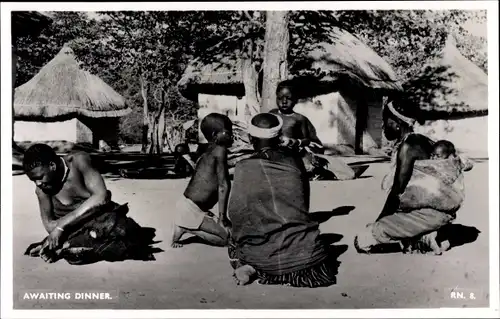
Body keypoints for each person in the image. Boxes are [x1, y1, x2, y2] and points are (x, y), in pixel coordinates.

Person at [227, 113, 337, 287]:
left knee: (234, 239)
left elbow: (236, 212)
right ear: (279, 136)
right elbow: (304, 204)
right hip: (305, 258)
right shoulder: (295, 160)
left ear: (249, 138)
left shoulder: (244, 167)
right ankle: (276, 268)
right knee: (316, 252)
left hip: (261, 250)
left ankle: (253, 267)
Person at [354, 101, 473, 255]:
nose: (383, 127)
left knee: (363, 239)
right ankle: (426, 237)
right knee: (393, 221)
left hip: (431, 214)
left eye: (385, 121)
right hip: (440, 212)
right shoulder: (421, 139)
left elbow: (398, 191)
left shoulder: (408, 146)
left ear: (396, 123)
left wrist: (378, 222)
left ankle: (423, 236)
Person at [23, 144, 156, 264]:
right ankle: (72, 245)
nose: (38, 183)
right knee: (112, 238)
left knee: (120, 228)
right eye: (33, 180)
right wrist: (59, 229)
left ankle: (70, 246)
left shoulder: (78, 161)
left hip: (102, 219)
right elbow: (50, 226)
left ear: (52, 166)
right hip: (72, 231)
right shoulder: (42, 190)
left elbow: (101, 197)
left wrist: (62, 224)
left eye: (40, 177)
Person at [270, 80, 367, 180]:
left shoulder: (299, 118)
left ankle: (324, 171)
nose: (284, 101)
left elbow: (308, 140)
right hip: (273, 154)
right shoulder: (271, 116)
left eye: (288, 98)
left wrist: (294, 142)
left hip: (294, 154)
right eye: (280, 98)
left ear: (295, 100)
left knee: (318, 164)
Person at [170, 113, 232, 248]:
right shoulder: (220, 150)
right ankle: (187, 228)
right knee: (227, 240)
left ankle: (192, 223)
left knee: (232, 234)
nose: (231, 135)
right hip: (190, 209)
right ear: (216, 135)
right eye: (228, 132)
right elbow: (223, 185)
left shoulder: (209, 150)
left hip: (193, 207)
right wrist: (222, 217)